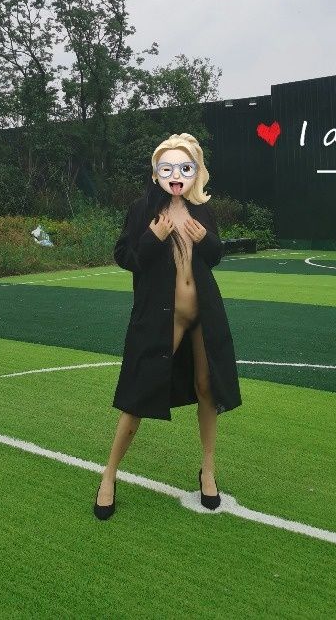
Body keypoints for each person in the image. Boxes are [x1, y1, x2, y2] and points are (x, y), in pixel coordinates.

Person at [94, 132, 242, 519]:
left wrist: (205, 239)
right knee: (138, 394)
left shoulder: (201, 210)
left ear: (195, 172)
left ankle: (207, 470)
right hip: (160, 317)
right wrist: (153, 237)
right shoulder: (142, 210)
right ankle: (109, 475)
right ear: (156, 172)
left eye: (185, 168)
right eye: (168, 168)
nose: (176, 175)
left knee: (207, 388)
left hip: (204, 314)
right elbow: (126, 257)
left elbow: (214, 256)